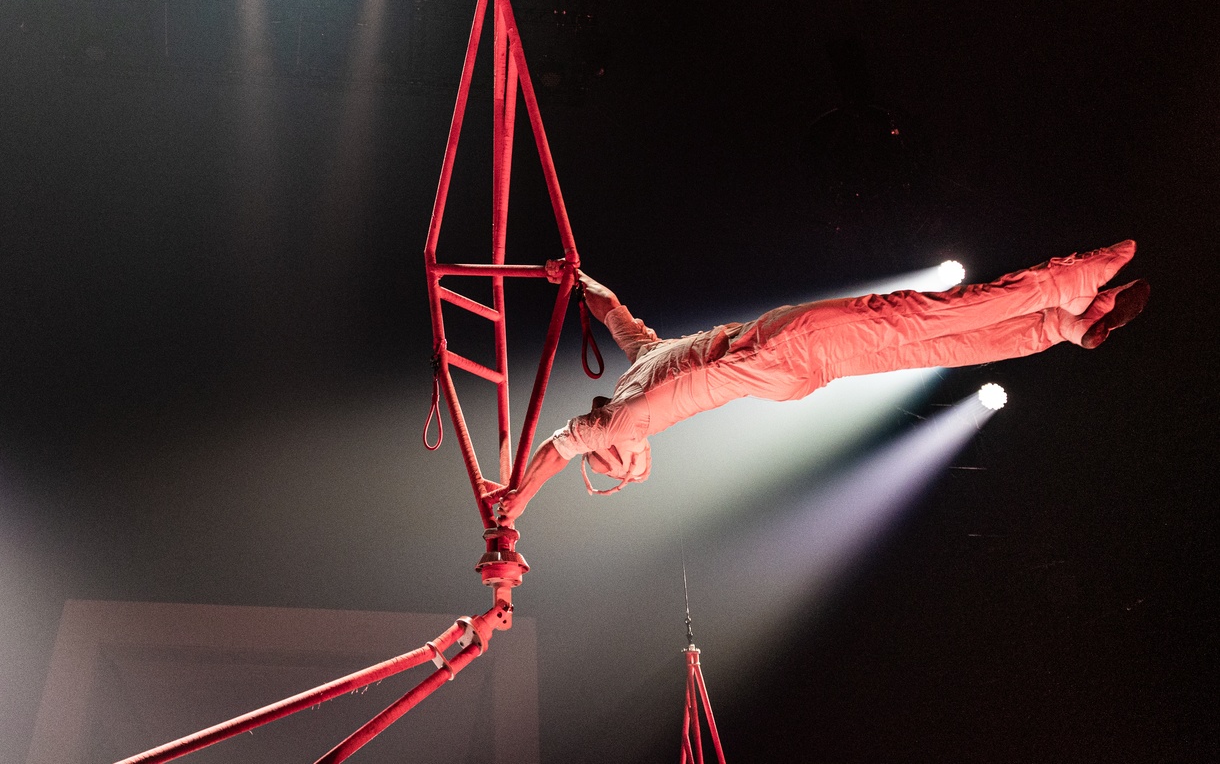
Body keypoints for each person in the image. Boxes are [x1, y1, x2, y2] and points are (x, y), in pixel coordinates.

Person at [491, 240, 1149, 526]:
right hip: (778, 350)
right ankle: (1067, 283)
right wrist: (517, 502)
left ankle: (1065, 326)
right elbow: (556, 447)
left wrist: (574, 283)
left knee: (926, 346)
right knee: (918, 316)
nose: (632, 461)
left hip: (791, 371)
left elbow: (613, 311)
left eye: (623, 465)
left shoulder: (643, 360)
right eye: (626, 466)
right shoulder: (619, 422)